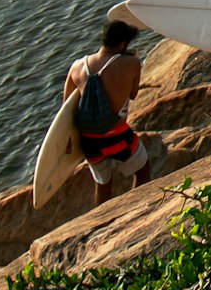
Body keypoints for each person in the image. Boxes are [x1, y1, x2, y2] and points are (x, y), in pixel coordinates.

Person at [63, 20, 151, 204]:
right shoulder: (131, 63)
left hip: (90, 142)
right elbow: (133, 94)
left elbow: (66, 108)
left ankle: (103, 218)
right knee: (142, 170)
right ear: (122, 44)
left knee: (103, 182)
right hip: (117, 138)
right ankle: (136, 209)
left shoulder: (77, 66)